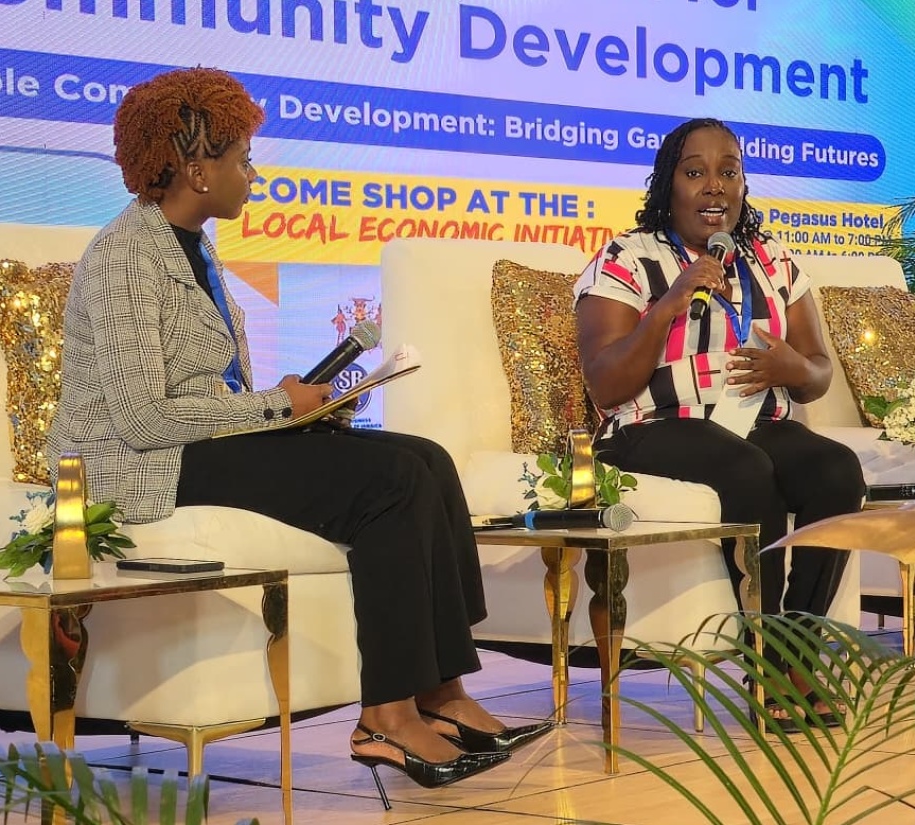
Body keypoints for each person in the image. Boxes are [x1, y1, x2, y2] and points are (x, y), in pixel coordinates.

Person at [45, 67, 550, 799]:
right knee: (390, 483)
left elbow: (208, 395)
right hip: (141, 465)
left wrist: (299, 408)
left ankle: (443, 690)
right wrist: (278, 407)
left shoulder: (195, 244)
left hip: (201, 446)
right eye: (242, 158)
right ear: (195, 168)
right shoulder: (126, 254)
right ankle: (385, 713)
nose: (253, 172)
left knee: (428, 461)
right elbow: (143, 417)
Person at [574, 117, 866, 729]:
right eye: (696, 172)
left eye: (728, 171)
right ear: (668, 184)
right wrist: (669, 304)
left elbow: (818, 372)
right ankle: (766, 661)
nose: (714, 187)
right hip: (650, 427)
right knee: (746, 469)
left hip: (755, 419)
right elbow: (605, 382)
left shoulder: (772, 259)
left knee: (837, 471)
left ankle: (796, 655)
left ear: (743, 184)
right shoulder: (628, 258)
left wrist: (792, 366)